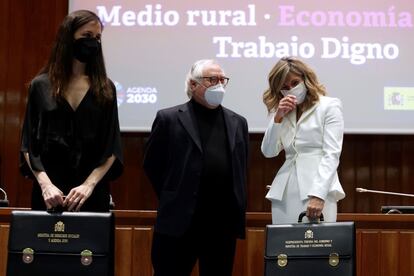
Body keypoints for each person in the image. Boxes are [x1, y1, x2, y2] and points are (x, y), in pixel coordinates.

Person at [143, 59, 249, 276]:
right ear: (193, 85)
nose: (219, 85)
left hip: (221, 225)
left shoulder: (238, 122)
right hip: (179, 222)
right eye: (212, 79)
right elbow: (152, 165)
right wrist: (173, 195)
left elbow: (240, 168)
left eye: (222, 80)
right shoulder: (168, 118)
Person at [20, 10, 123, 212]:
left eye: (97, 38)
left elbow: (111, 147)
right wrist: (45, 184)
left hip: (91, 193)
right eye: (86, 36)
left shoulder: (105, 88)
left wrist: (89, 185)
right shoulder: (40, 86)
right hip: (50, 194)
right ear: (69, 37)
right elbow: (28, 145)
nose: (93, 42)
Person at [261, 56, 345, 224]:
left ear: (306, 80)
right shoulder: (283, 111)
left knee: (319, 246)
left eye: (295, 83)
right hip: (284, 191)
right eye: (284, 87)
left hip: (317, 189)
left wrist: (318, 195)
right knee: (283, 247)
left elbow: (331, 154)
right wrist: (277, 117)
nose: (291, 89)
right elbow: (268, 152)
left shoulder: (328, 106)